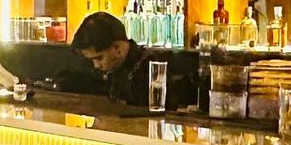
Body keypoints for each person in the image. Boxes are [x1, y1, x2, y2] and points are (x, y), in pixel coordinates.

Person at [70, 10, 198, 109]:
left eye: (99, 58)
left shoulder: (150, 68)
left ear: (117, 48)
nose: (96, 65)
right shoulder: (107, 70)